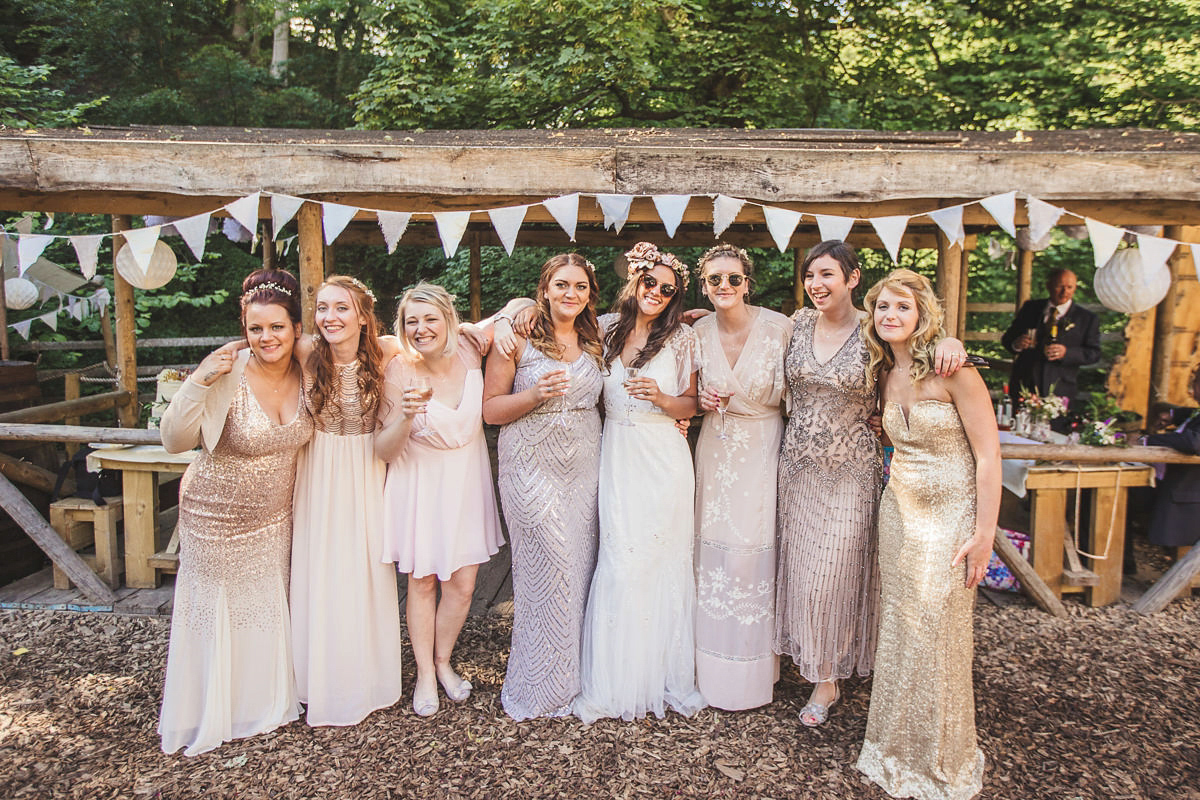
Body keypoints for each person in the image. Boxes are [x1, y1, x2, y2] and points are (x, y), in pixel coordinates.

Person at [775, 240, 968, 727]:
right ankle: (811, 660)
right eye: (810, 275)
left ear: (853, 278)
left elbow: (916, 351)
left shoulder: (873, 330)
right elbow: (750, 326)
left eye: (827, 275)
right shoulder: (796, 325)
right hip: (795, 467)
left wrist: (951, 341)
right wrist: (695, 316)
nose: (817, 285)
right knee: (800, 569)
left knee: (833, 576)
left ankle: (828, 679)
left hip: (851, 470)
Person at [856, 268, 1000, 800]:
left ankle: (943, 757)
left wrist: (984, 534)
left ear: (921, 316)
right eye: (883, 308)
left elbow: (989, 457)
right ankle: (892, 750)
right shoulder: (882, 374)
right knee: (901, 629)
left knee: (939, 634)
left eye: (902, 307)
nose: (891, 316)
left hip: (954, 516)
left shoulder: (955, 371)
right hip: (899, 514)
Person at [159, 269, 314, 755]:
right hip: (215, 515)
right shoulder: (226, 371)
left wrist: (492, 322)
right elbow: (174, 441)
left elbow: (373, 341)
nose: (266, 338)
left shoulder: (309, 368)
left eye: (277, 327)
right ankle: (208, 707)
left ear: (295, 329)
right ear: (244, 329)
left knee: (264, 609)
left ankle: (259, 704)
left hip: (273, 518)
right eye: (255, 328)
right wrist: (199, 382)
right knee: (215, 612)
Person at [572, 241, 706, 723]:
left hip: (663, 458)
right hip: (618, 455)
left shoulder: (683, 339)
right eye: (650, 282)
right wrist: (516, 314)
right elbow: (548, 314)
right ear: (635, 279)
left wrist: (664, 399)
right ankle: (615, 679)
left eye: (668, 290)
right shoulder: (605, 330)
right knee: (622, 560)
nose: (657, 293)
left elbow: (692, 405)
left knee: (660, 561)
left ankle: (660, 675)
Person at [482, 254, 605, 721]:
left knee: (580, 569)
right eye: (560, 285)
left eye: (579, 286)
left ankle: (576, 679)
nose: (569, 294)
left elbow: (647, 325)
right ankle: (538, 686)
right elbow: (491, 410)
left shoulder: (597, 338)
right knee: (546, 571)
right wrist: (535, 394)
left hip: (585, 469)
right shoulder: (517, 336)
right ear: (545, 289)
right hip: (530, 466)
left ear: (590, 293)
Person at [378, 283, 504, 717]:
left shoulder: (471, 349)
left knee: (463, 585)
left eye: (430, 318)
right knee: (422, 582)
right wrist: (405, 415)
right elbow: (383, 449)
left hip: (466, 486)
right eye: (411, 321)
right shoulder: (398, 370)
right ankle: (426, 676)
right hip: (420, 487)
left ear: (449, 320)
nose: (420, 328)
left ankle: (443, 660)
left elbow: (520, 307)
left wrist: (516, 311)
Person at [289, 275, 406, 726]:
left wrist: (509, 315)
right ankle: (315, 678)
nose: (329, 317)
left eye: (341, 308)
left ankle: (366, 678)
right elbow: (255, 348)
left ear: (362, 315)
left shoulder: (389, 351)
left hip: (366, 469)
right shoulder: (304, 352)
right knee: (319, 569)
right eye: (322, 308)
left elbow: (455, 333)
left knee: (363, 569)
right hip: (319, 470)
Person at [691, 244, 791, 711]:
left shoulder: (781, 328)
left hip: (763, 449)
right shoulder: (696, 330)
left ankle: (751, 674)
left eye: (733, 278)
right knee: (710, 552)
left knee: (750, 558)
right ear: (704, 286)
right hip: (714, 447)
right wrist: (698, 403)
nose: (724, 287)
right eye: (715, 280)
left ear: (747, 282)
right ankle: (709, 671)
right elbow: (682, 392)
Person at [1001, 268, 1100, 422]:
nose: (1064, 292)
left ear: (1075, 288)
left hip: (1060, 389)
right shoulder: (1030, 309)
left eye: (1070, 287)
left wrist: (1067, 353)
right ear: (1049, 286)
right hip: (1025, 385)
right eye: (1059, 286)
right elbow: (1007, 340)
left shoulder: (1086, 318)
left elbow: (1094, 353)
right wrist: (1017, 344)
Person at [1145, 365, 1200, 548]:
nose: (1192, 391)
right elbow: (1191, 414)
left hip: (1189, 491)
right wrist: (1172, 414)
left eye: (1196, 385)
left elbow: (1194, 442)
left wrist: (1150, 440)